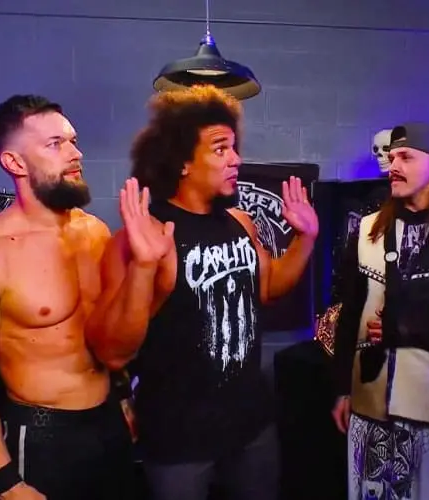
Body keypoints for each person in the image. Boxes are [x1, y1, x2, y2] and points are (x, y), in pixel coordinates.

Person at [88, 85, 318, 500]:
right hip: (178, 438)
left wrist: (306, 238)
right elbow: (112, 353)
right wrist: (144, 266)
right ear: (182, 162)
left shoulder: (241, 223)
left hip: (251, 425)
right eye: (220, 149)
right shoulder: (142, 237)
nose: (236, 159)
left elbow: (268, 288)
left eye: (233, 148)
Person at [0, 94, 171, 500]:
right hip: (41, 436)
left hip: (108, 421)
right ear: (15, 163)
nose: (76, 154)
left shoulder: (94, 231)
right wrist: (4, 477)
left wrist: (123, 396)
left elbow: (104, 330)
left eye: (73, 141)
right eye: (55, 144)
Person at [329, 122, 429, 500]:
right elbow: (350, 313)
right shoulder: (367, 229)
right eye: (391, 157)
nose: (393, 166)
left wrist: (405, 328)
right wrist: (341, 389)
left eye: (405, 157)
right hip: (370, 402)